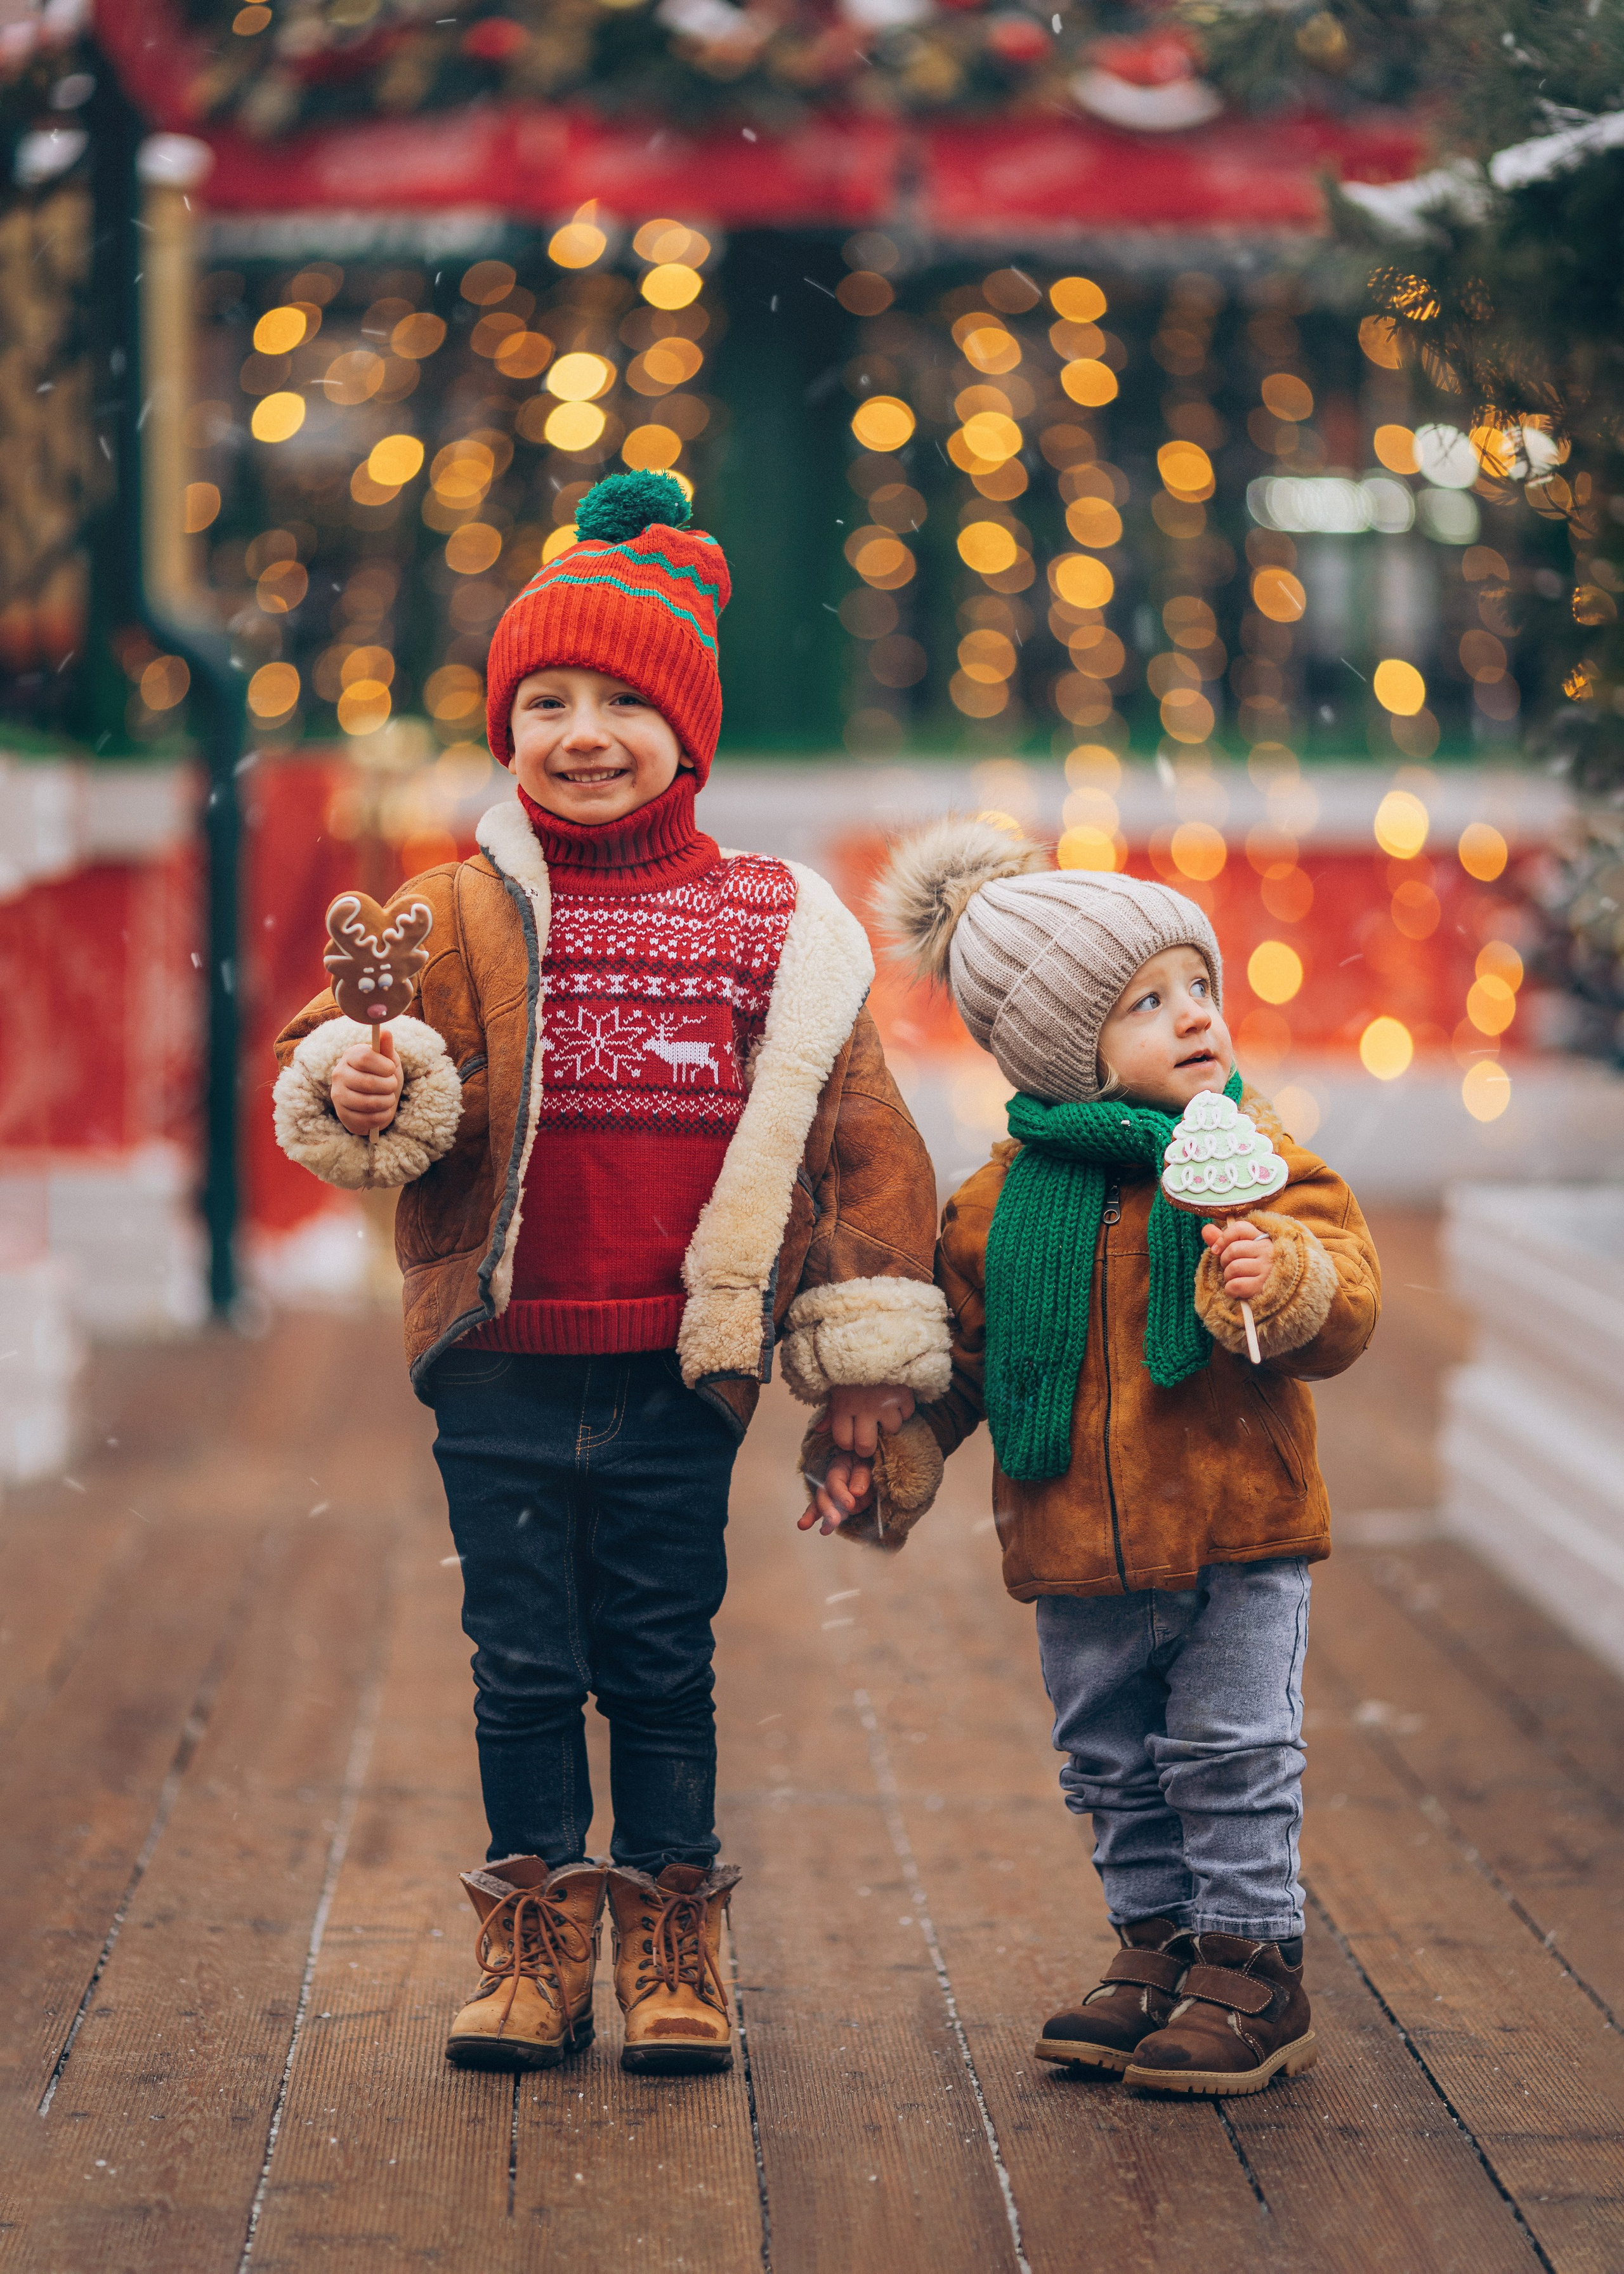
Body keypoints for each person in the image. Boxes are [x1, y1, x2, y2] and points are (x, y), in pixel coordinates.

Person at [272, 472, 950, 2077]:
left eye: (623, 701)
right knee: (519, 1657)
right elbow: (331, 1060)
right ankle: (529, 1935)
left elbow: (860, 1142)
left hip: (674, 1361)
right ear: (503, 731)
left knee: (657, 1651)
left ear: (688, 728)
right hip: (498, 1351)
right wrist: (360, 1087)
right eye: (546, 701)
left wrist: (860, 1353)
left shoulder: (769, 926)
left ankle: (668, 1927)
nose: (582, 732)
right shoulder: (450, 913)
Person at [806, 816, 1380, 2098]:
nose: (1191, 1016)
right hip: (1071, 1542)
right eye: (1144, 1002)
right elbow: (959, 1363)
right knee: (1109, 1758)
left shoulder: (1258, 1162)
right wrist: (885, 1451)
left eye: (1197, 988)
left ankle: (1251, 1960)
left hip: (1234, 1529)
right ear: (1062, 1050)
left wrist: (1274, 1272)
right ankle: (1155, 1945)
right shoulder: (995, 1204)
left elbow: (1344, 1301)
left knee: (1229, 1750)